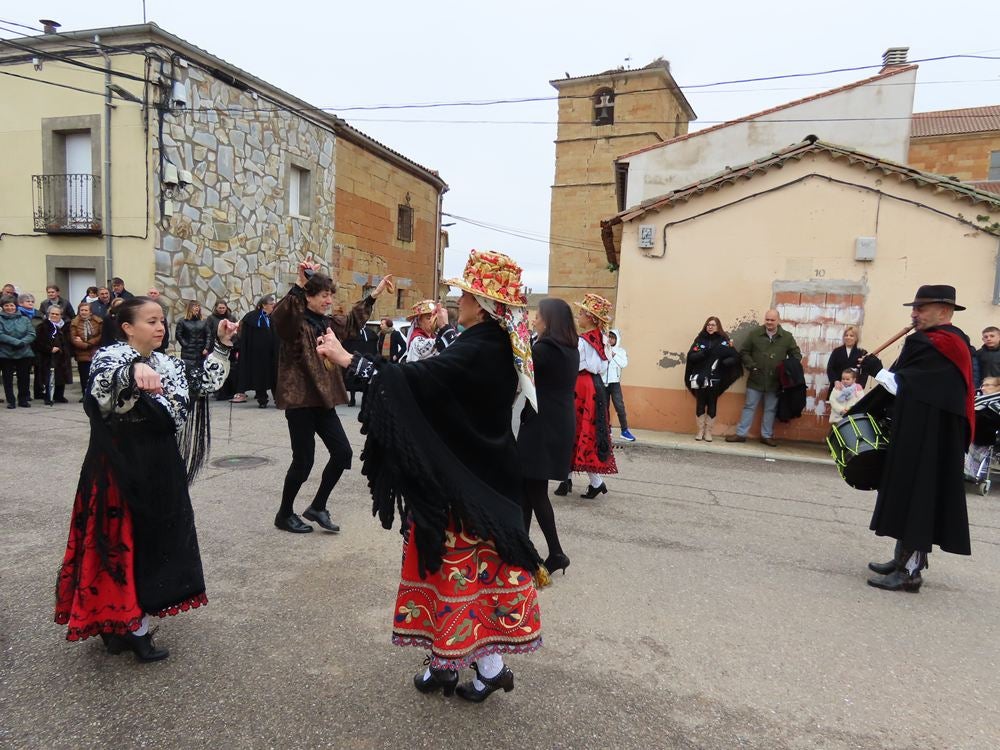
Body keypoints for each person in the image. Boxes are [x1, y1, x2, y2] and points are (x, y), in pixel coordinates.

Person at [317, 249, 543, 702]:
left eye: (464, 294)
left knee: (459, 570)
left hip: (467, 480)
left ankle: (480, 668)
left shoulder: (483, 345)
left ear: (481, 303)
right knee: (458, 568)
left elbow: (415, 382)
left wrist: (350, 361)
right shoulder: (493, 342)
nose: (457, 300)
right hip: (475, 473)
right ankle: (451, 665)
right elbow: (434, 390)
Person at [54, 296, 235, 660]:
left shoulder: (167, 363)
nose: (160, 327)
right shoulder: (110, 356)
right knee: (121, 541)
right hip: (121, 466)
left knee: (154, 539)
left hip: (159, 462)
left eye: (162, 320)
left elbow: (204, 382)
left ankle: (123, 625)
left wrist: (223, 344)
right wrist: (133, 371)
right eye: (151, 321)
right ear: (127, 327)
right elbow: (105, 386)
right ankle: (128, 627)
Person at [857, 285, 974, 592]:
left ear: (945, 312)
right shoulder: (935, 342)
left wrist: (877, 371)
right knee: (909, 495)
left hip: (931, 438)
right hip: (919, 431)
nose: (914, 314)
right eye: (915, 308)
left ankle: (910, 572)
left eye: (922, 308)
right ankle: (902, 560)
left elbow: (910, 388)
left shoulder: (943, 345)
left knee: (920, 499)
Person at [270, 261, 393, 533]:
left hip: (323, 401)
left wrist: (374, 294)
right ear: (309, 296)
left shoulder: (327, 324)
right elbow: (280, 317)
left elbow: (351, 322)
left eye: (330, 295)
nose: (329, 300)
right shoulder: (294, 323)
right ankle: (284, 513)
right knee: (303, 461)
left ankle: (317, 506)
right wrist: (299, 285)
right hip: (300, 401)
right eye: (324, 295)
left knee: (342, 453)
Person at [518, 297, 577, 575]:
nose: (534, 319)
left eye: (538, 316)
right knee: (528, 489)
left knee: (534, 491)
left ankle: (555, 552)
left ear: (549, 320)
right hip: (558, 422)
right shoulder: (569, 348)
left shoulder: (544, 349)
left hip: (542, 425)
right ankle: (523, 548)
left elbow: (520, 368)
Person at [555, 293, 618, 499]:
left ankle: (578, 480)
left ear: (590, 317)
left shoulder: (582, 341)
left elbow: (575, 365)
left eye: (582, 313)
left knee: (574, 429)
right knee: (587, 429)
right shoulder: (603, 339)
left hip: (581, 385)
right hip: (597, 386)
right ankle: (574, 480)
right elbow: (604, 365)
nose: (578, 316)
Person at [726, 309, 802, 447]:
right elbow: (744, 352)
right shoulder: (755, 334)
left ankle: (766, 436)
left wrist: (785, 370)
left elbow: (796, 356)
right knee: (749, 406)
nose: (769, 322)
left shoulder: (787, 337)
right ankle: (741, 434)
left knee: (770, 409)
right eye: (767, 319)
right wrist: (752, 366)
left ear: (778, 320)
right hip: (756, 378)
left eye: (772, 320)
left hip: (775, 381)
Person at [684, 316, 741, 442]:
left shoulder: (724, 341)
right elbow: (691, 357)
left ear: (718, 327)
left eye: (713, 325)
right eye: (708, 324)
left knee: (712, 404)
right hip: (700, 378)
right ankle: (700, 431)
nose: (710, 327)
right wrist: (702, 354)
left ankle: (708, 432)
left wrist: (725, 363)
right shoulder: (700, 340)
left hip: (715, 379)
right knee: (700, 404)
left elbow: (735, 357)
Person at [236, 295, 278, 408]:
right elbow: (244, 337)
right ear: (264, 305)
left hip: (272, 353)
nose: (273, 306)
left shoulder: (273, 317)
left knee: (275, 375)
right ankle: (262, 399)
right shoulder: (251, 318)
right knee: (260, 376)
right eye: (271, 304)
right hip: (257, 354)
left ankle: (278, 399)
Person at [0, 295, 36, 408]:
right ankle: (11, 400)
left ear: (16, 306)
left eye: (11, 305)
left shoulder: (24, 319)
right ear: (2, 307)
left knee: (24, 378)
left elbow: (31, 334)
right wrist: (15, 342)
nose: (9, 308)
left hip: (24, 352)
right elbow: (0, 334)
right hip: (6, 353)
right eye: (6, 305)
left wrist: (22, 342)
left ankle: (23, 399)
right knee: (7, 379)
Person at [33, 305, 73, 404]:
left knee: (61, 376)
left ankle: (59, 396)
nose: (54, 315)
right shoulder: (42, 326)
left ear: (61, 315)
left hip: (62, 356)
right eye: (52, 314)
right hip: (48, 356)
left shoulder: (65, 326)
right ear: (48, 314)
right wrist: (49, 349)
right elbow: (38, 342)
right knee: (49, 377)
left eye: (57, 314)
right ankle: (48, 397)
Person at [964, 376, 1000, 481]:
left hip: (983, 435)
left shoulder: (997, 404)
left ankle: (967, 469)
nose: (983, 388)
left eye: (988, 385)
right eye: (983, 385)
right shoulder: (976, 399)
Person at [603, 329, 636, 442]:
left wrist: (613, 354)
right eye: (609, 337)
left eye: (613, 337)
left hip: (614, 383)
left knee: (619, 406)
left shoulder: (621, 351)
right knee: (604, 406)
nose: (611, 339)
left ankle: (624, 430)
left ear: (617, 339)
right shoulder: (603, 348)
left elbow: (624, 364)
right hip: (603, 383)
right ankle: (607, 429)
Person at [341, 321, 380, 407]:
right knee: (356, 380)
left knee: (363, 380)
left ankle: (356, 399)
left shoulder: (369, 333)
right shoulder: (368, 333)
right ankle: (353, 399)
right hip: (356, 358)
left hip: (361, 359)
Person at [70, 303, 104, 400]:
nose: (84, 312)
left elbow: (100, 336)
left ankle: (96, 395)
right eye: (82, 310)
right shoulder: (74, 322)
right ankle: (85, 395)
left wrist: (89, 343)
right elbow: (74, 338)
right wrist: (84, 345)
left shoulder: (98, 321)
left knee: (96, 375)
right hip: (82, 353)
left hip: (95, 352)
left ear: (90, 311)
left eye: (86, 310)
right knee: (84, 376)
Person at [205, 301, 238, 400]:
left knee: (230, 370)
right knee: (218, 369)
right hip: (216, 347)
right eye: (220, 308)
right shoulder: (211, 319)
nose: (222, 310)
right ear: (216, 308)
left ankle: (231, 391)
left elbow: (235, 332)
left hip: (229, 347)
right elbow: (208, 333)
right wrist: (208, 347)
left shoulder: (231, 318)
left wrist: (233, 343)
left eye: (223, 308)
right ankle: (219, 392)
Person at [826, 326, 869, 392]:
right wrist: (835, 381)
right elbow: (830, 368)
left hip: (854, 390)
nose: (848, 337)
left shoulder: (862, 353)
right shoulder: (837, 351)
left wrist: (860, 385)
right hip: (838, 387)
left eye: (851, 336)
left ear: (856, 338)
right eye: (846, 335)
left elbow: (865, 371)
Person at [175, 301, 209, 368]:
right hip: (187, 354)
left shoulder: (204, 321)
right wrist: (185, 345)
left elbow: (208, 335)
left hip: (201, 354)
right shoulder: (182, 321)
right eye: (195, 306)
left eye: (198, 306)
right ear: (190, 308)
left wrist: (206, 348)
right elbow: (178, 335)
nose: (197, 308)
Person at [147, 287, 170, 354]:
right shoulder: (142, 305)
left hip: (159, 346)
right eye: (151, 293)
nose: (153, 295)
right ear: (148, 294)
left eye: (155, 293)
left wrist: (164, 344)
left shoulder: (163, 306)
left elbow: (164, 326)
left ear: (158, 295)